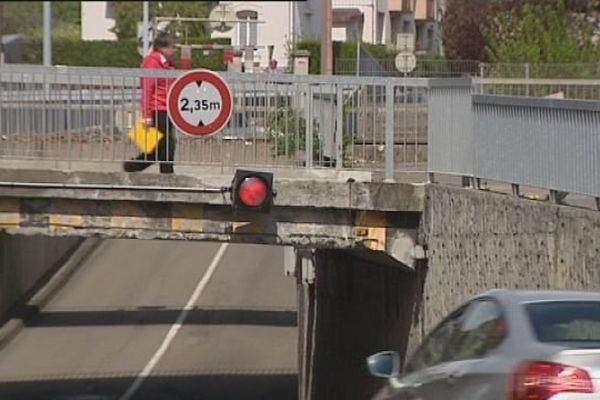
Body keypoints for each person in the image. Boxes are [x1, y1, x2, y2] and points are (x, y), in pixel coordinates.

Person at [124, 32, 178, 174]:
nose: (175, 50)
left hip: (167, 108)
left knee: (161, 146)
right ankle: (166, 174)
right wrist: (147, 114)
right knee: (166, 144)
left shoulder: (168, 64)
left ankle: (134, 166)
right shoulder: (152, 63)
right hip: (157, 109)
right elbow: (147, 89)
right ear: (163, 48)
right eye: (173, 47)